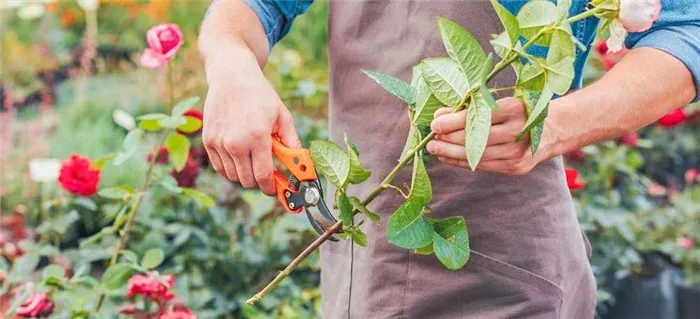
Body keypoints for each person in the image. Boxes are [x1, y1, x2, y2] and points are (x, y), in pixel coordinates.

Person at [198, 0, 699, 318]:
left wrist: (555, 125)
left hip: (506, 275)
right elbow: (252, 9)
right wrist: (230, 63)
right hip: (363, 264)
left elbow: (686, 29)